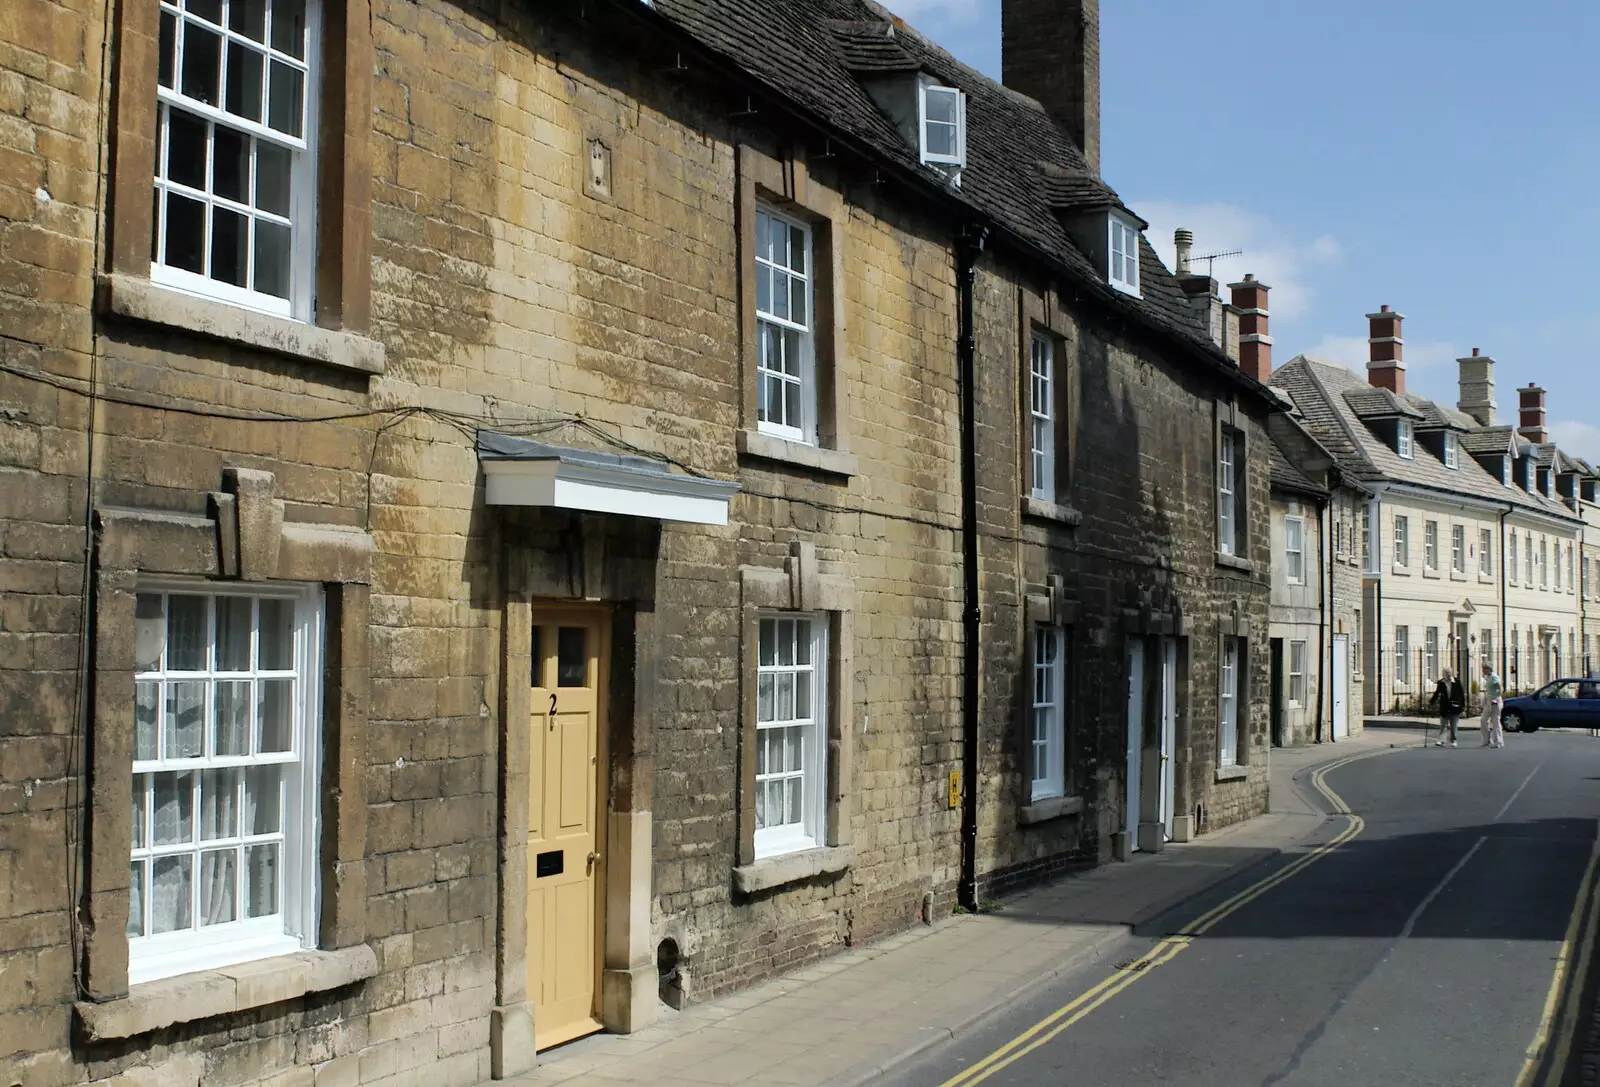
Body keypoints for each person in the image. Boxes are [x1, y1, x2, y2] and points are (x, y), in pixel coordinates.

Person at [1430, 668, 1465, 747]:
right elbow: (1437, 693)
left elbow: (1462, 694)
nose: (1449, 674)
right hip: (1445, 706)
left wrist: (1462, 706)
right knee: (1443, 724)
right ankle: (1441, 740)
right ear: (1443, 674)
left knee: (1454, 725)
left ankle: (1454, 740)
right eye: (1447, 673)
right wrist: (1431, 701)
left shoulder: (1457, 682)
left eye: (1450, 673)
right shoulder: (1441, 683)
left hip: (1455, 706)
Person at [1481, 662, 1505, 748]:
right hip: (1488, 701)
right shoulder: (1488, 678)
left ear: (1488, 669)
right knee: (1484, 720)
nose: (1483, 670)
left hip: (1495, 701)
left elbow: (1500, 687)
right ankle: (1487, 740)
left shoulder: (1494, 677)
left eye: (1484, 669)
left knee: (1495, 721)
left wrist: (1497, 697)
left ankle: (1498, 741)